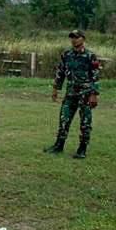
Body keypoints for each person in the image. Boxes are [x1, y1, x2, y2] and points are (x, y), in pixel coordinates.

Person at [45, 30, 101, 159]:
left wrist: (94, 94)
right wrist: (55, 88)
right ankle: (59, 145)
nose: (74, 40)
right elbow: (61, 72)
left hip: (85, 94)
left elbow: (95, 76)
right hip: (70, 93)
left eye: (77, 37)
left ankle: (82, 149)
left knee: (85, 122)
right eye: (72, 38)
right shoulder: (66, 54)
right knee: (64, 119)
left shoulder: (90, 56)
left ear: (83, 39)